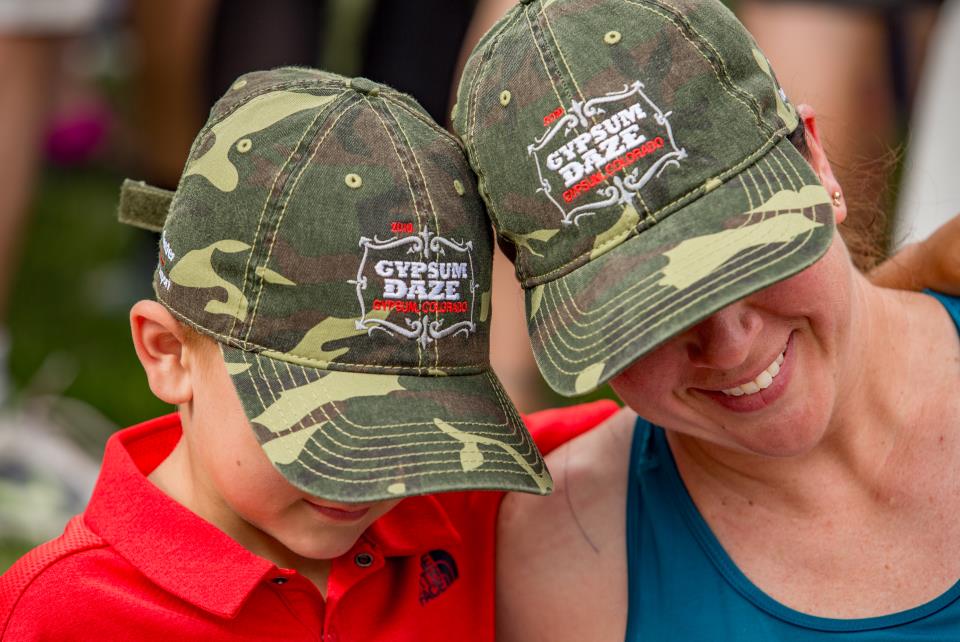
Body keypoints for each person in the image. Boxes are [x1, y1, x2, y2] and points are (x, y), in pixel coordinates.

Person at [0, 67, 605, 641]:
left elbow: (658, 433)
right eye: (324, 421)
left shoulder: (449, 508)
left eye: (411, 427)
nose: (366, 474)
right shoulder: (64, 616)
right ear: (170, 354)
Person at [452, 0, 960, 639]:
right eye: (644, 313)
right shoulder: (572, 554)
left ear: (817, 165)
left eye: (748, 256)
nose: (727, 346)